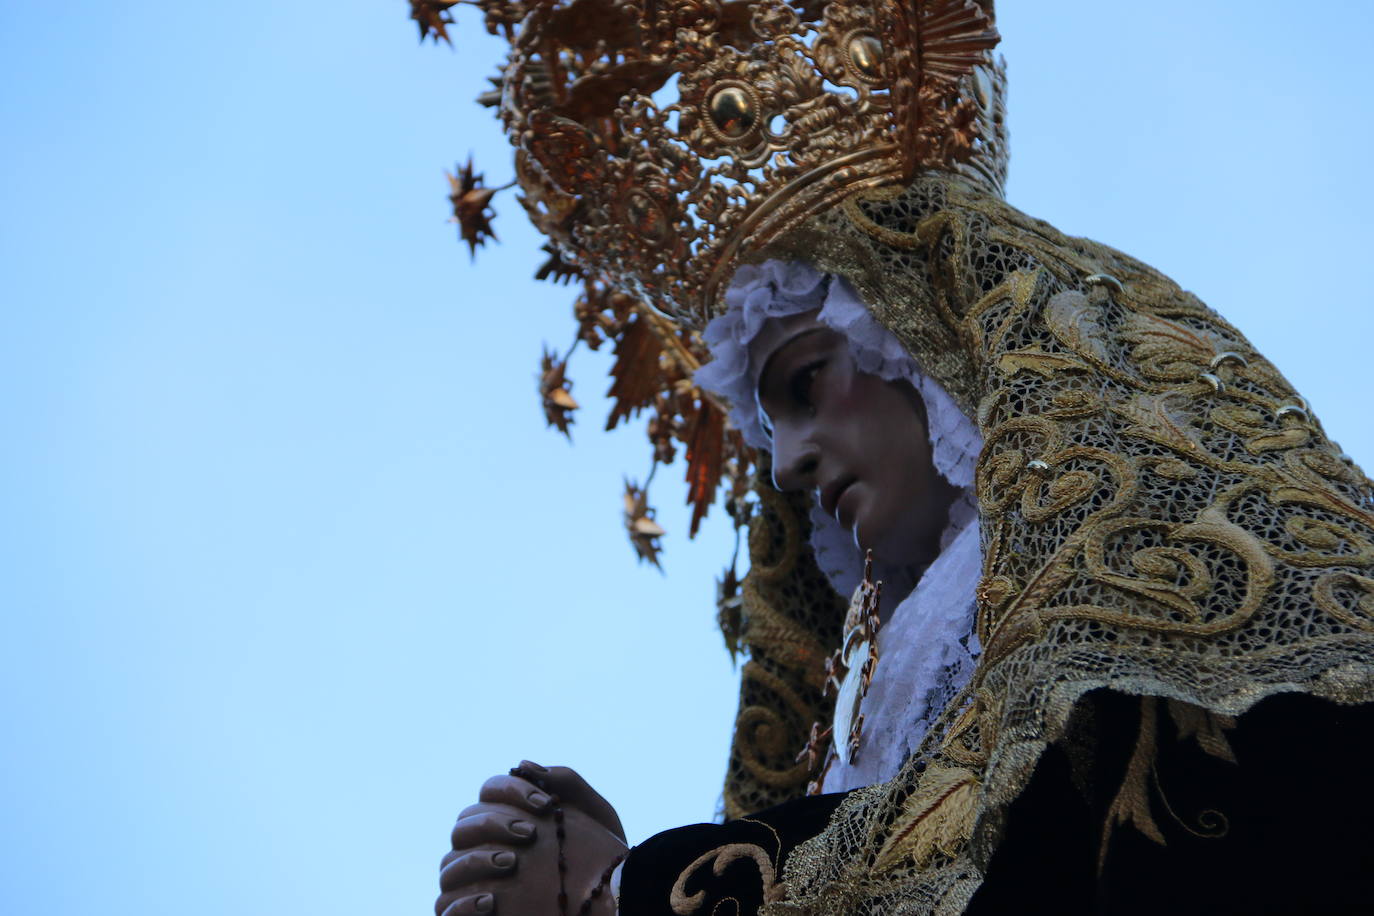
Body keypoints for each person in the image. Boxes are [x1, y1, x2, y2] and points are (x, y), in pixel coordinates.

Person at [421, 1, 1374, 912]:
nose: (787, 463)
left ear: (922, 342)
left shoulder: (1104, 540)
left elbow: (1023, 835)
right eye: (768, 426)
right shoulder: (878, 674)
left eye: (805, 384)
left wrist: (635, 889)